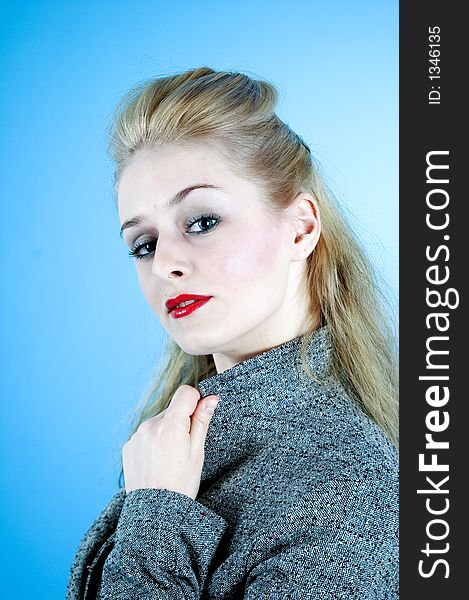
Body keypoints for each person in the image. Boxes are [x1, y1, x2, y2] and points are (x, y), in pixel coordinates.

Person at [66, 66, 398, 599]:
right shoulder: (185, 442)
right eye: (143, 244)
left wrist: (157, 517)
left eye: (201, 222)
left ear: (302, 227)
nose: (164, 264)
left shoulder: (340, 491)